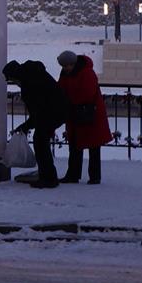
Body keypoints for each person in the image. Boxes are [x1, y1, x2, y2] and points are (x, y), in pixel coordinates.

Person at [3, 59, 68, 188]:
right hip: (59, 110)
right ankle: (47, 175)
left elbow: (38, 111)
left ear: (15, 75)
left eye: (11, 80)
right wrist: (26, 126)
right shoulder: (34, 74)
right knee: (41, 141)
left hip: (52, 112)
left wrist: (26, 126)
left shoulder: (29, 85)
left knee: (40, 142)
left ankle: (48, 178)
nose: (14, 83)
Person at [56, 49, 109, 184]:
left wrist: (68, 101)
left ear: (73, 64)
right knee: (74, 145)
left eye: (67, 65)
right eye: (63, 66)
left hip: (90, 114)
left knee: (93, 146)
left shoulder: (87, 73)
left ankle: (94, 177)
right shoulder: (66, 73)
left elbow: (87, 94)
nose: (66, 68)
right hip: (76, 113)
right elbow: (60, 89)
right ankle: (73, 174)